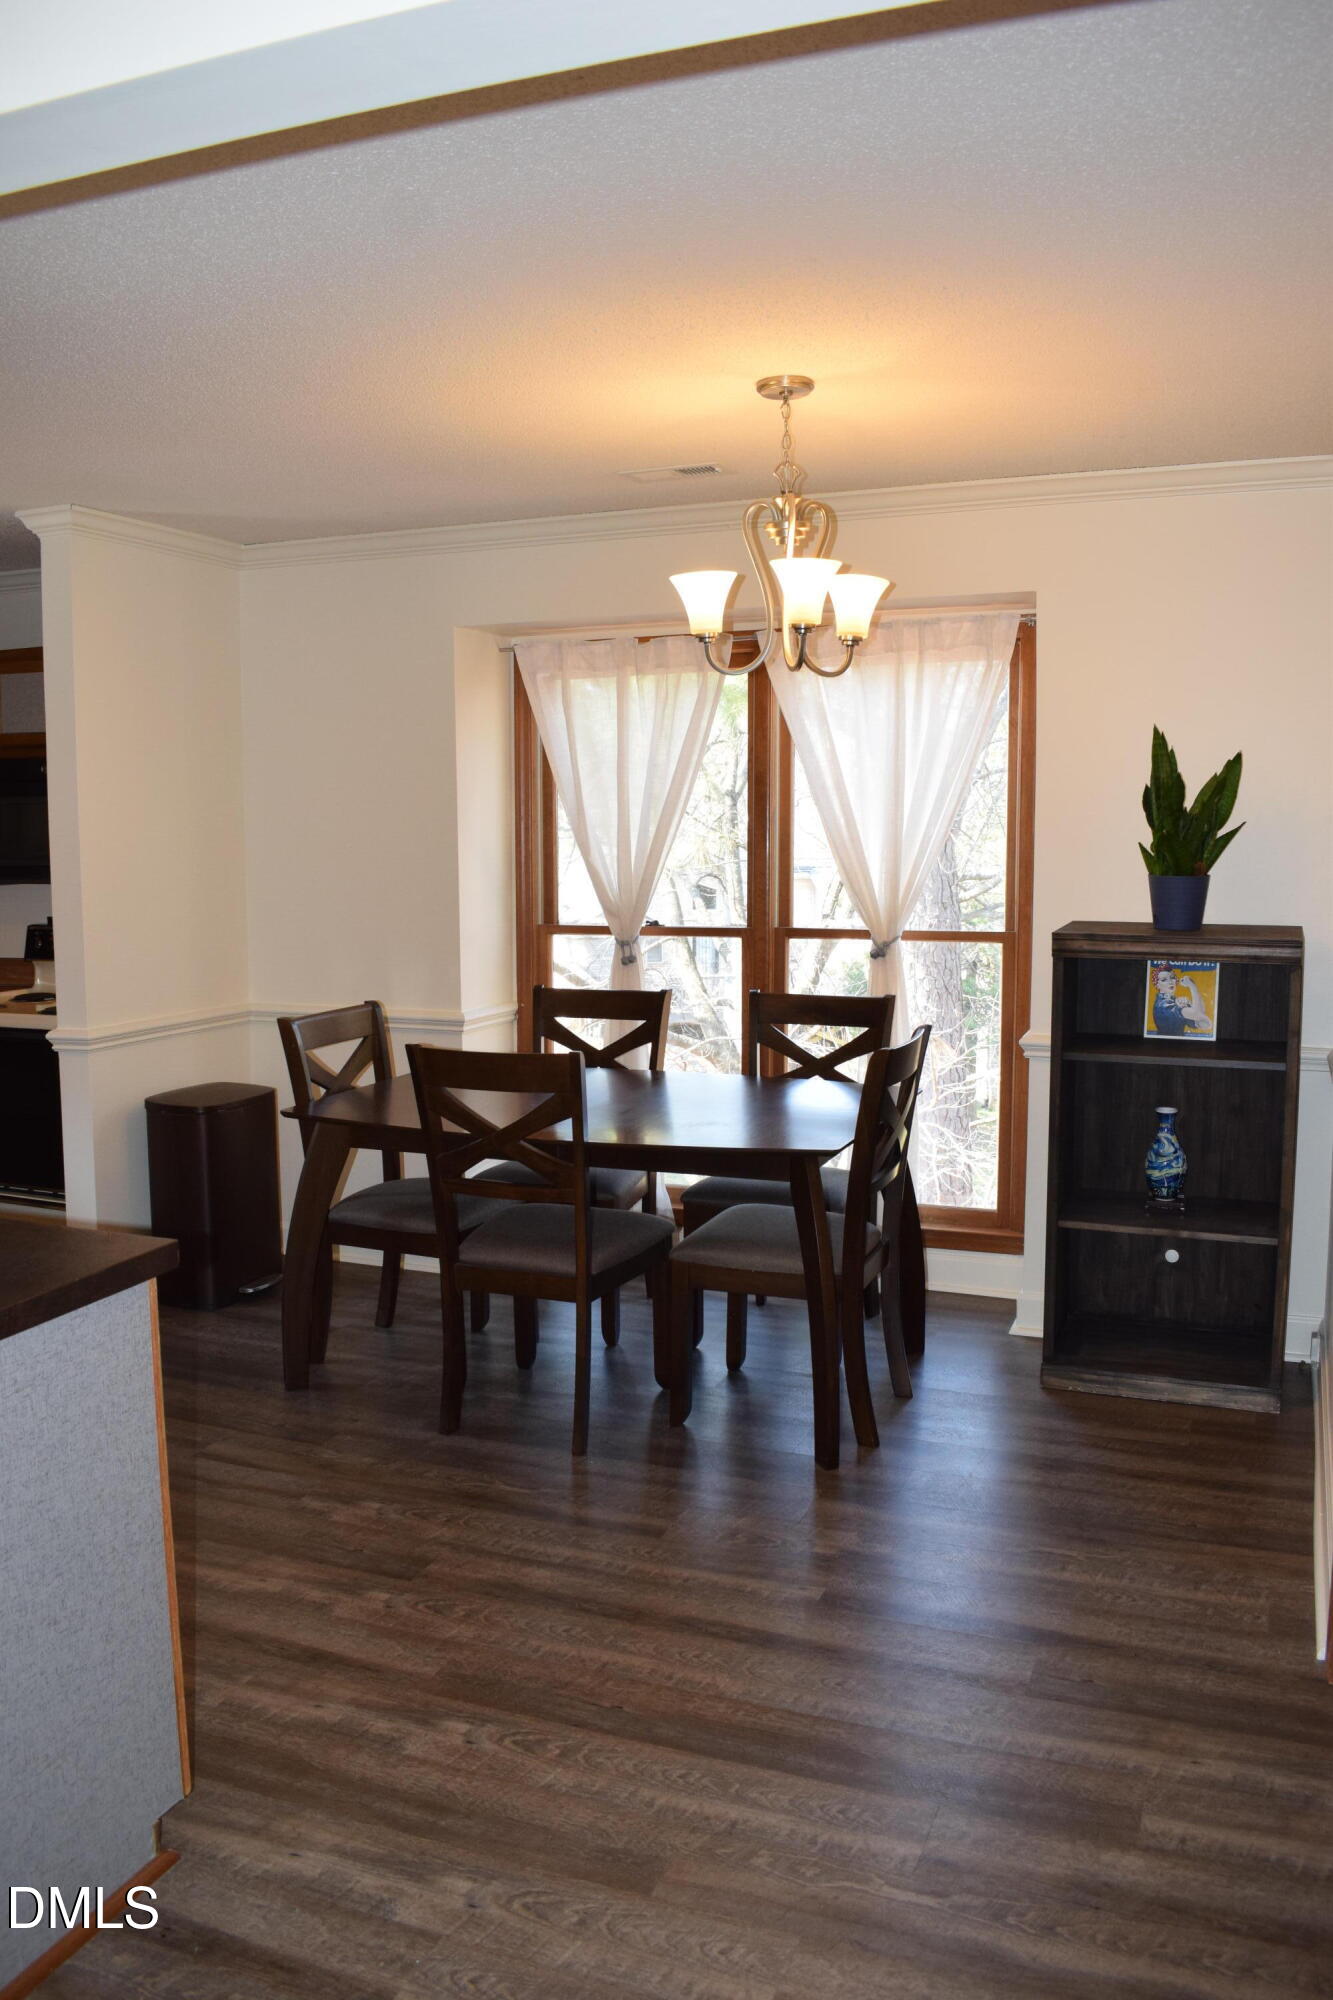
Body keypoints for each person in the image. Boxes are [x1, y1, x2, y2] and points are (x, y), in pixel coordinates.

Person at [1151, 965, 1213, 1036]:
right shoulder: (1163, 1005)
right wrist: (1192, 986)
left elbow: (1204, 1023)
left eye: (1172, 978)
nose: (1170, 982)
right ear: (1157, 985)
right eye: (1164, 980)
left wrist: (1190, 1005)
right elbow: (1197, 1014)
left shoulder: (1175, 1002)